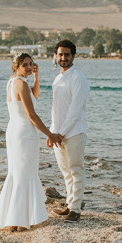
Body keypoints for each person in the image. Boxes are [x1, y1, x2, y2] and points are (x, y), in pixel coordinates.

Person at [0, 53, 63, 232]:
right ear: (17, 66)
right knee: (24, 175)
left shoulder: (13, 82)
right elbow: (31, 114)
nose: (29, 67)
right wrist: (50, 134)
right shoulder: (21, 84)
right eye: (25, 65)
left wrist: (36, 77)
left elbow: (34, 96)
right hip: (25, 134)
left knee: (18, 173)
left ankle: (13, 220)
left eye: (31, 64)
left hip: (14, 132)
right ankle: (21, 222)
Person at [49, 39, 89, 221]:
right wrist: (52, 133)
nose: (63, 58)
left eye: (67, 54)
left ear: (73, 56)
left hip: (74, 133)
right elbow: (56, 110)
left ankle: (76, 210)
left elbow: (75, 110)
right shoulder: (58, 79)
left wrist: (60, 133)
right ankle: (69, 204)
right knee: (66, 172)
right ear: (55, 56)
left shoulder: (78, 77)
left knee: (76, 170)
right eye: (60, 54)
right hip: (58, 134)